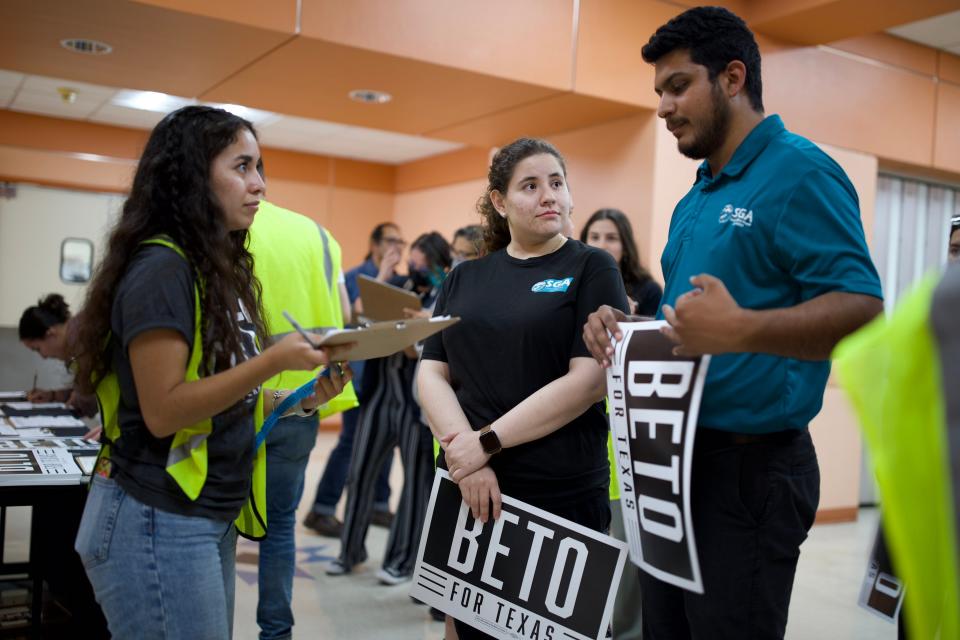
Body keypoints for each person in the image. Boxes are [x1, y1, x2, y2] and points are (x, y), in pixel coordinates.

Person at [582, 8, 882, 640]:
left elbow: (861, 307)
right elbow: (689, 324)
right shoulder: (697, 196)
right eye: (658, 91)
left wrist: (743, 329)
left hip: (751, 474)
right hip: (669, 464)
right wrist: (626, 331)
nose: (662, 106)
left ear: (733, 77)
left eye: (678, 85)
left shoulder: (802, 172)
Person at [71, 105, 352, 640]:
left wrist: (305, 398)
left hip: (203, 516)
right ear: (193, 177)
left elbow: (227, 401)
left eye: (260, 168)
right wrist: (271, 362)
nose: (259, 185)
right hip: (156, 515)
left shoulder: (217, 271)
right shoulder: (163, 268)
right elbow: (164, 410)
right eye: (242, 167)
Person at [418, 137, 629, 639]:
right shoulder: (464, 277)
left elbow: (588, 381)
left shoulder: (591, 267)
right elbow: (431, 372)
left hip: (560, 493)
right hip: (470, 486)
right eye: (530, 186)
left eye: (556, 183)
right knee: (465, 629)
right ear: (499, 201)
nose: (548, 196)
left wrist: (482, 444)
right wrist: (463, 457)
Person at [247, 200, 358, 640]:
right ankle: (277, 632)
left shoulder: (223, 218)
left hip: (236, 396)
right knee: (279, 525)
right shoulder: (318, 234)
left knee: (218, 527)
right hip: (304, 395)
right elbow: (346, 315)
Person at [328, 231, 452, 585]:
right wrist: (383, 274)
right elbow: (358, 312)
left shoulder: (442, 295)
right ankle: (348, 551)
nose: (416, 268)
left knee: (415, 486)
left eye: (423, 262)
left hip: (415, 405)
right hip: (381, 396)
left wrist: (413, 329)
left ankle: (401, 562)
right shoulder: (400, 285)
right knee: (361, 472)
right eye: (413, 260)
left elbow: (424, 349)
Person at [303, 223, 402, 537]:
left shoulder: (400, 280)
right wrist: (382, 276)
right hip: (355, 376)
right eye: (391, 240)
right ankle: (322, 510)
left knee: (385, 441)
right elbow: (353, 316)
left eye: (401, 241)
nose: (397, 246)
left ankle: (379, 505)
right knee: (349, 443)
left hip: (384, 376)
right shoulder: (356, 275)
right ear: (374, 243)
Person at [18, 294, 97, 417]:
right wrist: (53, 396)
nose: (43, 356)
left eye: (38, 349)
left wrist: (79, 400)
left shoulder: (86, 341)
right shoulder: (77, 336)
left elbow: (91, 399)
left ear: (50, 333)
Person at [581, 208, 662, 316]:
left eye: (611, 238)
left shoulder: (650, 291)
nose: (601, 246)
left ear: (625, 247)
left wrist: (630, 318)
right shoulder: (572, 283)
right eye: (594, 237)